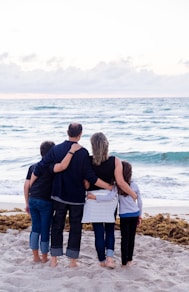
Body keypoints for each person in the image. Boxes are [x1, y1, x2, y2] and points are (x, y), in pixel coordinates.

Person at [30, 123, 113, 268]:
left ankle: (54, 260)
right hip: (76, 197)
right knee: (75, 228)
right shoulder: (83, 152)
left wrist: (32, 183)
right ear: (80, 134)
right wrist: (108, 186)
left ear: (67, 132)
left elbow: (41, 166)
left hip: (59, 195)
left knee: (57, 226)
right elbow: (90, 176)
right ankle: (72, 262)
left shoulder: (56, 149)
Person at [81, 132, 137, 268]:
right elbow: (121, 182)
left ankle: (102, 261)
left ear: (93, 146)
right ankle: (110, 259)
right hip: (109, 199)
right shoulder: (115, 160)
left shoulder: (88, 160)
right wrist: (133, 195)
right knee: (110, 229)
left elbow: (86, 185)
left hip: (93, 199)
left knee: (99, 232)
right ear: (107, 145)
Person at [24, 140, 81, 263]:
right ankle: (44, 257)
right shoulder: (51, 167)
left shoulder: (33, 166)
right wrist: (72, 151)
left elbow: (26, 185)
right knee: (45, 230)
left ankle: (35, 256)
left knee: (35, 228)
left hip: (33, 199)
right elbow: (63, 166)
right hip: (46, 202)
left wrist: (27, 202)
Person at [118, 161, 142, 267]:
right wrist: (140, 215)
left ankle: (123, 262)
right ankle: (130, 260)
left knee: (124, 238)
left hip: (124, 215)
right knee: (131, 238)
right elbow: (140, 202)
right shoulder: (134, 185)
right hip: (134, 214)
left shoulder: (118, 186)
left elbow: (113, 201)